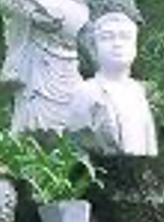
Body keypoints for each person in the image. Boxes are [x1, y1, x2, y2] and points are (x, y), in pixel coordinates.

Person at [0, 0, 96, 135]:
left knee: (75, 123)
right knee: (36, 127)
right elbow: (27, 12)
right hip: (37, 68)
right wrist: (37, 16)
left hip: (69, 64)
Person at [67, 11, 158, 156]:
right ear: (95, 47)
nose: (117, 44)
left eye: (125, 37)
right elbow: (79, 147)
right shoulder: (84, 93)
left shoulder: (137, 92)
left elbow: (150, 146)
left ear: (134, 46)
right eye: (107, 38)